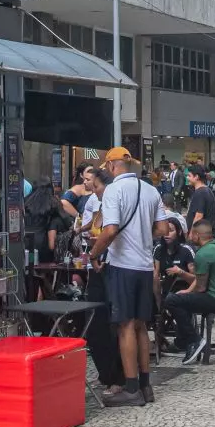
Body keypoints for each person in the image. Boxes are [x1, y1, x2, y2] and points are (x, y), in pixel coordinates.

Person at [89, 147, 169, 407]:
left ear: (112, 166)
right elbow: (162, 229)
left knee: (124, 325)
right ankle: (146, 386)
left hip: (123, 266)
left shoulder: (113, 190)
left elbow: (110, 229)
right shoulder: (150, 190)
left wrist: (94, 253)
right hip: (145, 267)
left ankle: (131, 387)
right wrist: (141, 236)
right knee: (140, 325)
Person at [163, 220, 215, 364]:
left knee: (171, 300)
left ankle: (194, 340)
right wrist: (187, 291)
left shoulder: (203, 254)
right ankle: (183, 340)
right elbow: (198, 283)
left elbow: (201, 288)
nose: (189, 235)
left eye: (192, 233)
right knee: (182, 299)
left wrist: (186, 292)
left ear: (197, 235)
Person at [80, 169, 125, 396]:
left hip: (111, 267)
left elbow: (112, 234)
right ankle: (105, 374)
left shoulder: (114, 205)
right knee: (95, 323)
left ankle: (117, 377)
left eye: (95, 185)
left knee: (111, 324)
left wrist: (97, 250)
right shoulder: (99, 207)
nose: (92, 189)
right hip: (96, 268)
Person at [153, 217, 197, 356]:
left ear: (178, 232)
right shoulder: (159, 250)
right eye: (164, 231)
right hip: (163, 292)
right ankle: (158, 341)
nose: (166, 234)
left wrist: (181, 272)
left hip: (185, 290)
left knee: (176, 300)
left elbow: (197, 279)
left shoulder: (186, 250)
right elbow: (155, 274)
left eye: (170, 231)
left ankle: (188, 339)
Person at [185, 164, 215, 232]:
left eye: (189, 175)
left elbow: (199, 216)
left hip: (201, 237)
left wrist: (191, 234)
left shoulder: (200, 192)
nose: (187, 178)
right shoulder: (206, 190)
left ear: (196, 177)